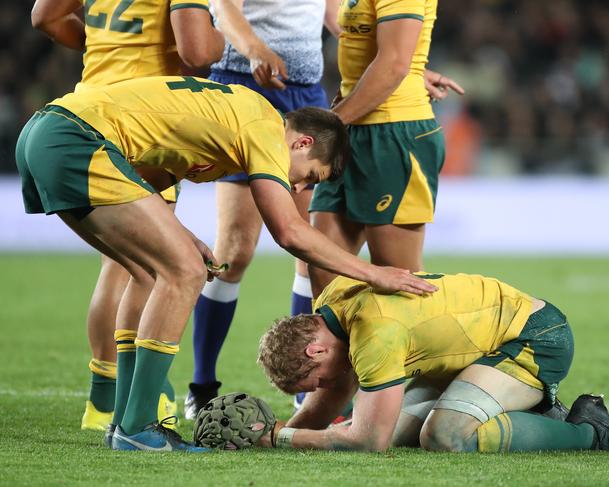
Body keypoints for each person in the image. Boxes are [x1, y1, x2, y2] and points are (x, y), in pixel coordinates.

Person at [15, 75, 436, 451]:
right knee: (185, 272)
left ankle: (123, 422)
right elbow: (288, 232)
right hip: (76, 140)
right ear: (302, 143)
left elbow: (144, 175)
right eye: (310, 176)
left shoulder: (231, 128)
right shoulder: (268, 129)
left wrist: (182, 237)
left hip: (47, 133)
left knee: (147, 272)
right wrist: (372, 272)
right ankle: (139, 426)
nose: (298, 185)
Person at [30, 0, 225, 432]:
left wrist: (108, 47)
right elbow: (198, 53)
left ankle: (104, 398)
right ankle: (135, 396)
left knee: (121, 268)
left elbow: (44, 17)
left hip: (87, 106)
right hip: (142, 120)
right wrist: (221, 38)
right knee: (150, 270)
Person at [257, 272, 609, 452]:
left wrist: (282, 436)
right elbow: (347, 402)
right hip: (476, 349)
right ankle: (536, 413)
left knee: (443, 436)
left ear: (315, 350)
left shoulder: (375, 334)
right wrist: (274, 435)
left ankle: (591, 431)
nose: (325, 389)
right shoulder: (333, 302)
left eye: (316, 381)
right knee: (388, 428)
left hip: (533, 338)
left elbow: (368, 442)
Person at [184, 0, 342, 419]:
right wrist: (253, 48)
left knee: (310, 252)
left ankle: (307, 385)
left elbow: (337, 15)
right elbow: (221, 6)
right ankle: (202, 384)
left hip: (305, 90)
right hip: (244, 83)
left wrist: (408, 69)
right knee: (235, 251)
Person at [308, 0, 464, 299]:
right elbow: (362, 35)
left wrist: (329, 126)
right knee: (325, 271)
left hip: (393, 132)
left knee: (399, 281)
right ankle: (346, 347)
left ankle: (419, 344)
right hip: (351, 125)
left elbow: (393, 65)